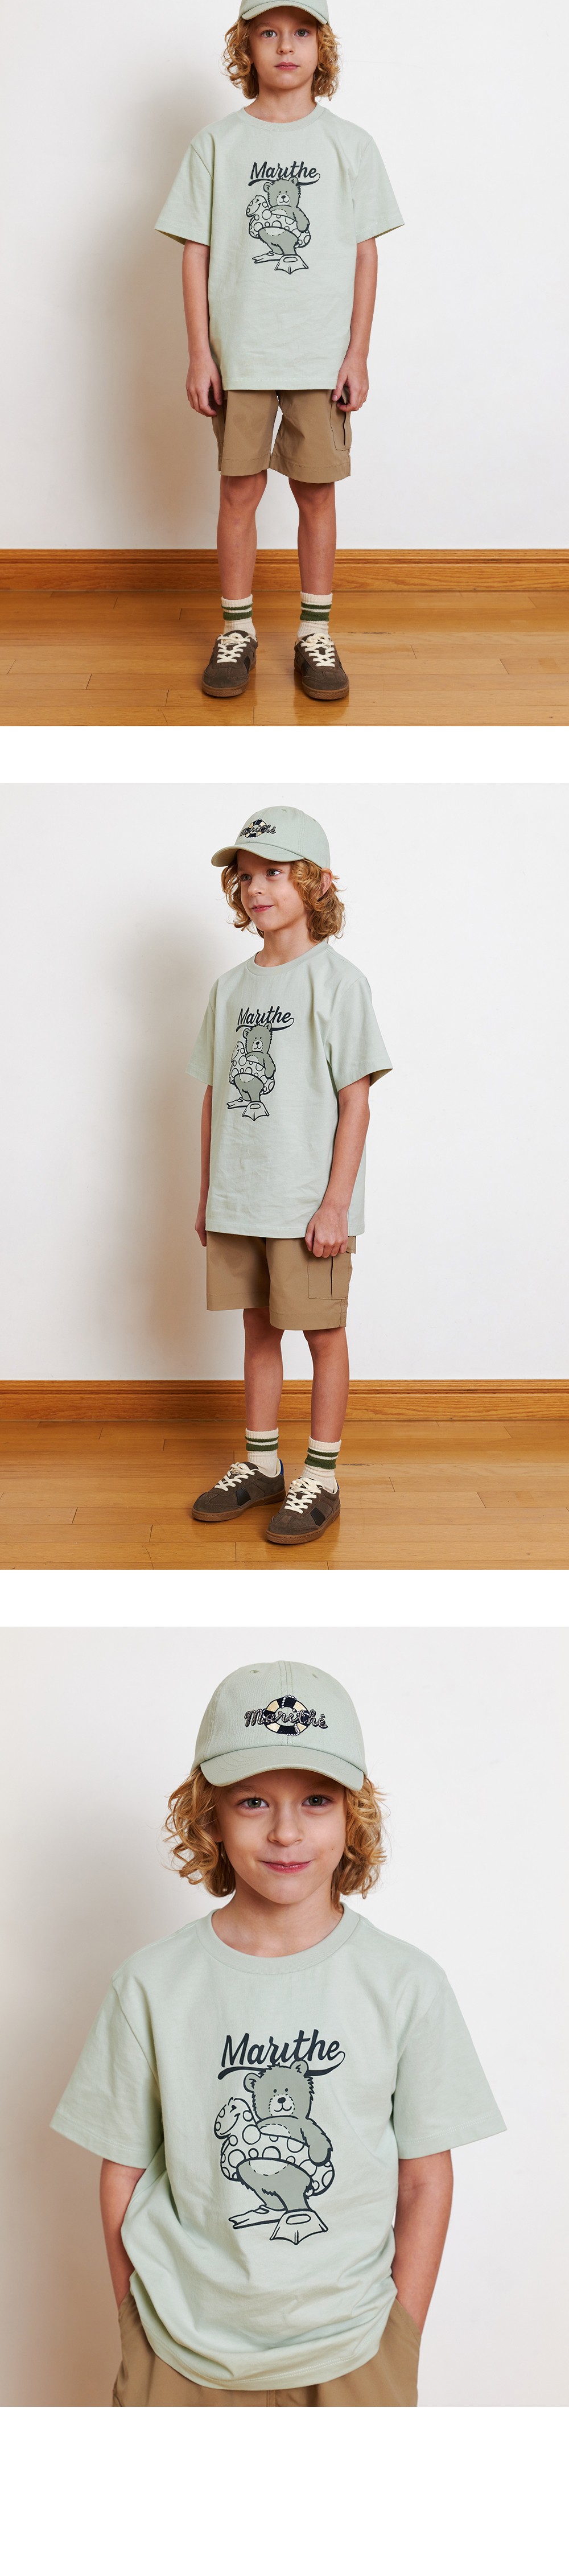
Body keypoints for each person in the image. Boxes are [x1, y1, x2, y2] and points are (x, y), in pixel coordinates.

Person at [51, 1661, 505, 2408]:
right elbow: (122, 2172)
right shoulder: (151, 1984)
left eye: (316, 1800)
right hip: (178, 2346)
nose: (286, 1831)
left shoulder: (406, 1984)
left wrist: (401, 2334)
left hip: (356, 2347)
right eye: (254, 1801)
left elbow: (425, 2177)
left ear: (353, 1814)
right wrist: (135, 2320)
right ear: (210, 1816)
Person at [155, 0, 403, 703]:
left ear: (322, 47)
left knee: (316, 493)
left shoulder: (350, 145)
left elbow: (365, 253)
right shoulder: (217, 144)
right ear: (247, 47)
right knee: (239, 489)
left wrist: (357, 353)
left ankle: (315, 634)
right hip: (241, 356)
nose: (285, 46)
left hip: (320, 357)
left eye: (300, 32)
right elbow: (195, 251)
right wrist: (199, 353)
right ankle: (237, 630)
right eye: (268, 32)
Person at [187, 803, 391, 1548]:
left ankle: (323, 1476)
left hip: (307, 1202)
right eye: (246, 876)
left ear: (316, 883)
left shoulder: (337, 982)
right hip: (241, 1196)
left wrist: (336, 1204)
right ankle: (262, 1463)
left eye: (274, 873)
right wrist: (208, 1193)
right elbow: (215, 1094)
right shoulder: (229, 988)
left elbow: (356, 1101)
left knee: (323, 1333)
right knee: (258, 1327)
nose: (256, 889)